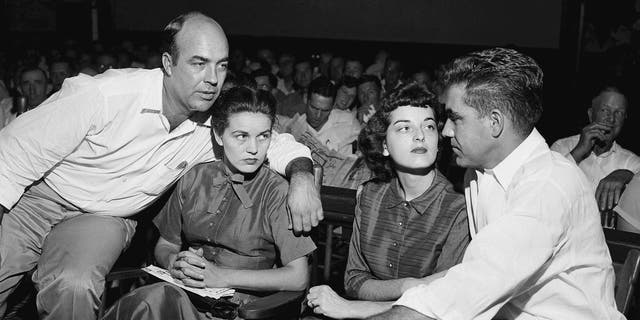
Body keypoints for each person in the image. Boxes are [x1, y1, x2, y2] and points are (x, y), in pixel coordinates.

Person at [0, 12, 322, 320]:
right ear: (168, 63)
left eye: (221, 66)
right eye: (199, 64)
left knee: (74, 287)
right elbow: (13, 152)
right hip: (39, 196)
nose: (212, 79)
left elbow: (270, 141)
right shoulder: (105, 94)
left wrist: (303, 177)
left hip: (105, 217)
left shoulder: (215, 122)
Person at [368, 48, 623, 319]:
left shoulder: (547, 186)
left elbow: (471, 286)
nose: (445, 131)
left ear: (495, 122)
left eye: (455, 118)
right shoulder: (478, 173)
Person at [102, 86, 316, 320]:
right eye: (241, 136)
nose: (253, 149)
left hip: (244, 310)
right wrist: (174, 262)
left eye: (263, 136)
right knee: (150, 300)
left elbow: (298, 277)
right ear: (218, 135)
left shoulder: (276, 191)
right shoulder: (193, 177)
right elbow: (166, 244)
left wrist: (222, 276)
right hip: (186, 295)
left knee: (150, 303)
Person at [305, 83, 469, 319]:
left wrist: (353, 308)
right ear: (384, 145)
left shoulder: (459, 205)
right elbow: (353, 280)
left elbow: (443, 300)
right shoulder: (369, 196)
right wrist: (410, 285)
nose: (420, 135)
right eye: (404, 128)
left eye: (429, 126)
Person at [550, 84, 640, 221]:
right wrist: (579, 152)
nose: (611, 119)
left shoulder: (632, 162)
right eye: (605, 110)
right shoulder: (562, 147)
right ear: (591, 114)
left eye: (619, 113)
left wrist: (627, 175)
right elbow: (545, 190)